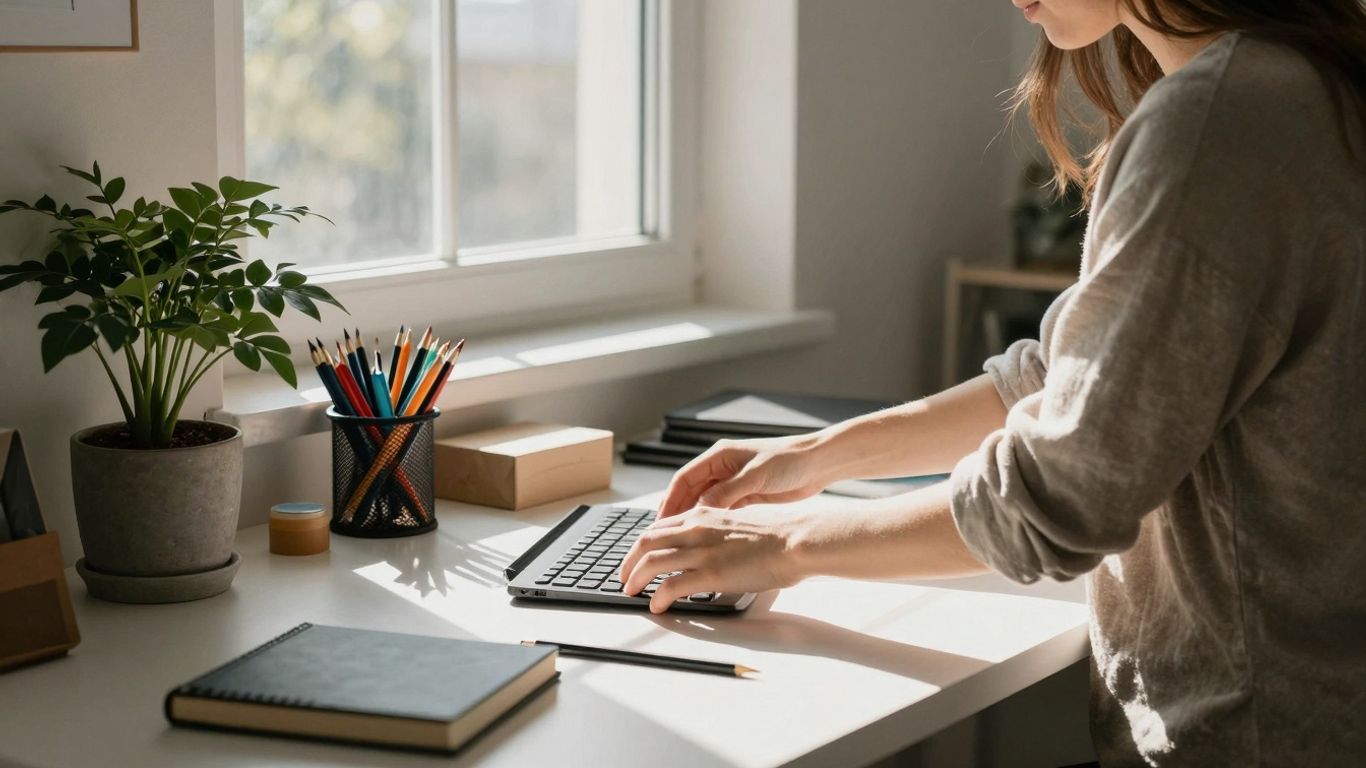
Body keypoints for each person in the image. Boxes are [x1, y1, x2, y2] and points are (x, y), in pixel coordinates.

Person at [619, 1, 1366, 765]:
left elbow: (1059, 495)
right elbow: (1067, 374)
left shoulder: (1221, 121)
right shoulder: (1297, 84)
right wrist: (813, 456)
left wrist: (783, 546)